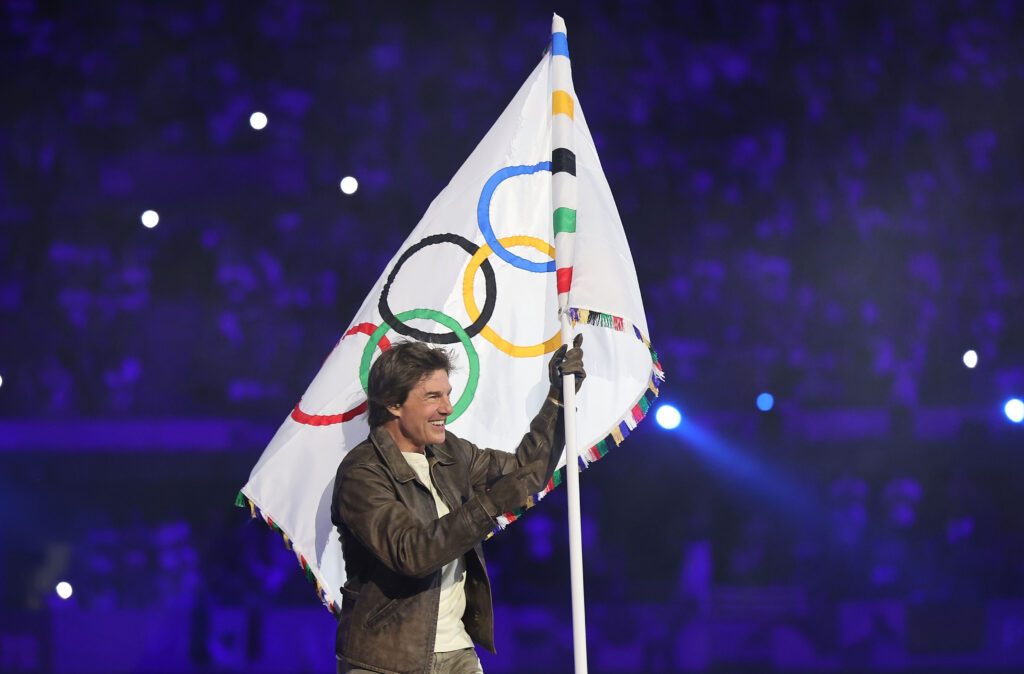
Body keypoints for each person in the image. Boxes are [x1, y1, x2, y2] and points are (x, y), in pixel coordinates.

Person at [331, 336, 586, 674]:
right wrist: (488, 505)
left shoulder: (452, 452)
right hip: (385, 660)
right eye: (433, 397)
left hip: (457, 651)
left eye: (447, 394)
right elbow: (411, 554)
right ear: (393, 403)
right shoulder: (362, 474)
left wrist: (558, 400)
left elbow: (526, 473)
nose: (448, 407)